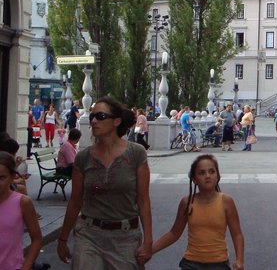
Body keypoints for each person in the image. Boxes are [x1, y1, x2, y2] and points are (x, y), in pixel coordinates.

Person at [57, 96, 153, 268]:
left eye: (100, 116)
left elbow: (143, 200)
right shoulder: (83, 157)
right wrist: (63, 239)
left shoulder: (136, 153)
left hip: (125, 238)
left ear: (116, 121)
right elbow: (75, 202)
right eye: (92, 116)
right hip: (88, 235)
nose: (93, 120)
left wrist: (148, 241)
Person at [152, 155, 244, 269]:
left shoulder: (226, 201)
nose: (207, 176)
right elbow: (174, 233)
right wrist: (150, 250)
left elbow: (237, 234)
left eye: (212, 172)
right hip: (191, 263)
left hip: (219, 263)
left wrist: (239, 260)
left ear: (218, 176)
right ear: (194, 179)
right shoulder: (187, 202)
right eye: (202, 173)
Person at [0, 151, 42, 270]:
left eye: (2, 178)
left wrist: (26, 266)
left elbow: (37, 239)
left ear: (13, 177)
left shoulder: (22, 202)